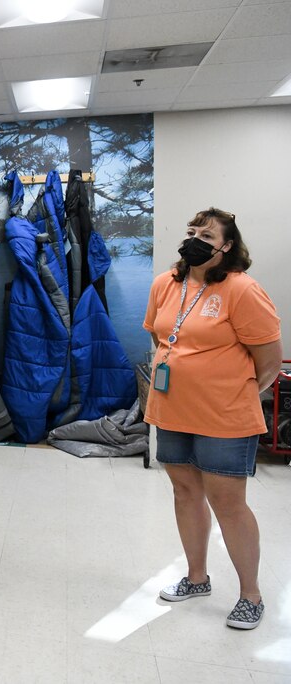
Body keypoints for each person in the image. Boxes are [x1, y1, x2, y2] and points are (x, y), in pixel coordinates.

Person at [143, 208, 281, 630]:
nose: (195, 238)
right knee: (185, 492)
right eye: (191, 231)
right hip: (172, 410)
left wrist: (228, 391)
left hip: (225, 417)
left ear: (226, 246)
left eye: (206, 233)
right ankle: (197, 577)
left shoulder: (242, 289)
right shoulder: (167, 283)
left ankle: (250, 595)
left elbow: (270, 362)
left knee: (229, 504)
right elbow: (159, 333)